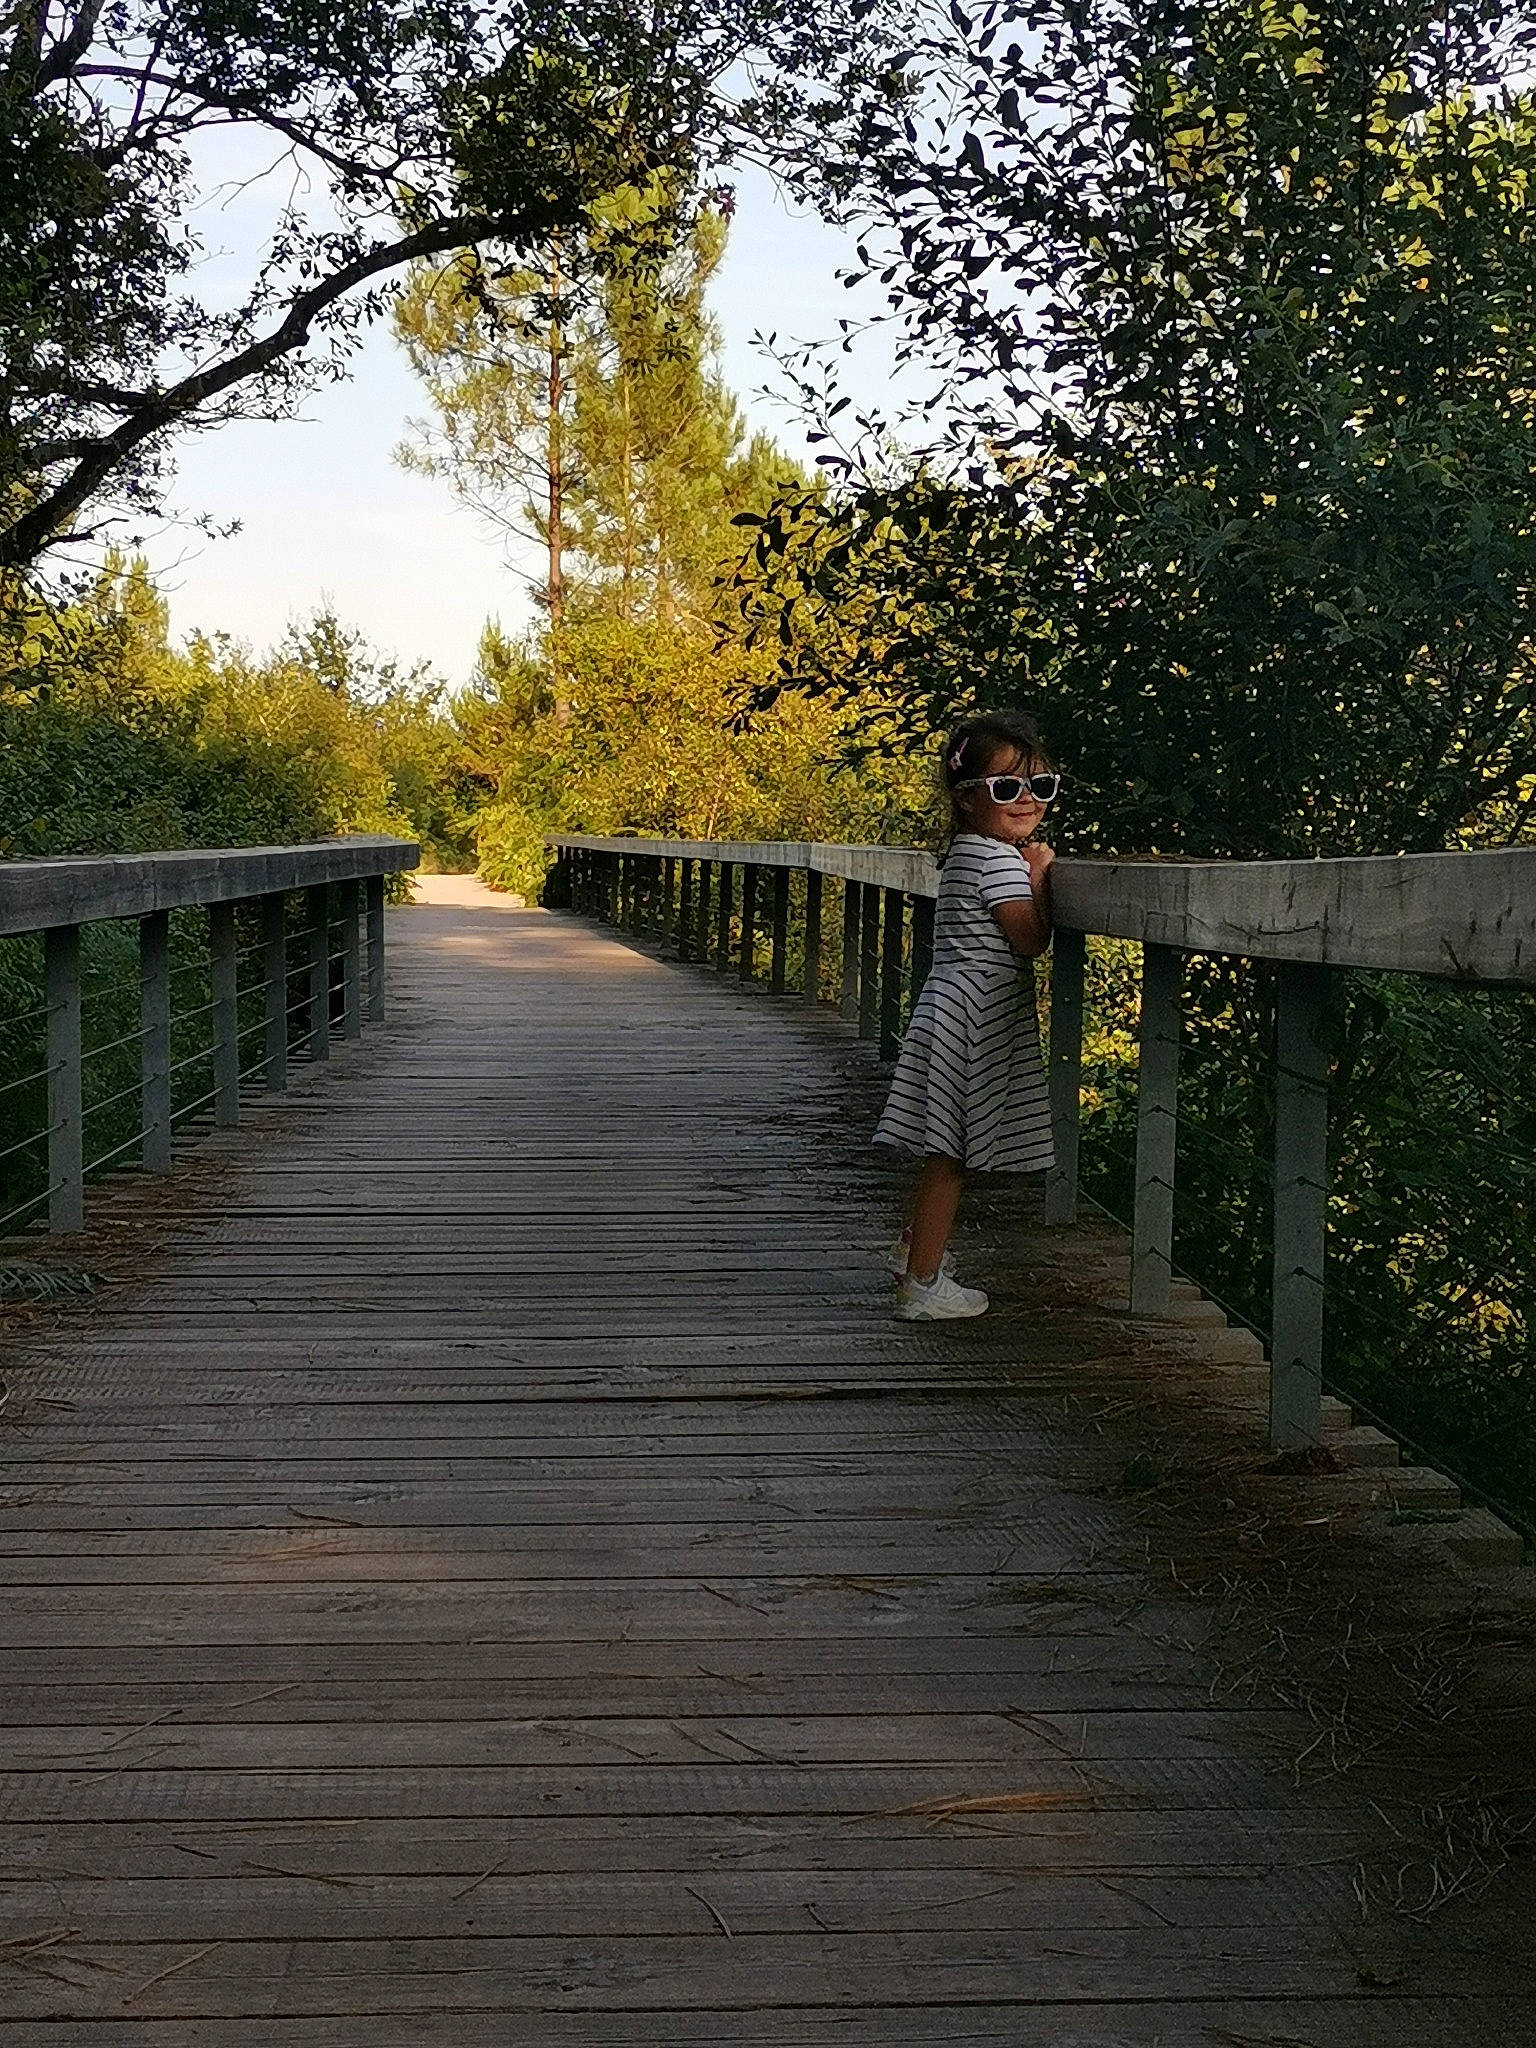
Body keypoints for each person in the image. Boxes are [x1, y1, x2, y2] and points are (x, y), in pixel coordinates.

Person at [874, 709, 1058, 1320]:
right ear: (966, 799)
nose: (1026, 800)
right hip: (978, 1014)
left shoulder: (963, 854)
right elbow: (1029, 940)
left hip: (949, 1002)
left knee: (942, 1147)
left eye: (1040, 786)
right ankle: (921, 1286)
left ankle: (912, 1253)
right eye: (1007, 788)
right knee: (951, 1152)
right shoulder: (1003, 863)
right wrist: (1040, 876)